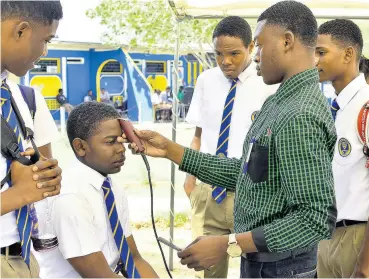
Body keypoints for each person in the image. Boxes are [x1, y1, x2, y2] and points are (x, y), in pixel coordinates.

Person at [123, 1, 337, 278]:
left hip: (282, 268)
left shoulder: (299, 113)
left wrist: (229, 243)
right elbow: (247, 173)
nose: (256, 55)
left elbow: (314, 219)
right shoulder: (280, 103)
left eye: (259, 45)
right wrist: (172, 151)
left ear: (287, 41)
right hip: (266, 264)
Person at [183, 15, 277, 278]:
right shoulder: (206, 81)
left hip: (249, 193)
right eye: (219, 54)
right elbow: (199, 135)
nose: (226, 61)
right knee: (206, 271)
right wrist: (191, 181)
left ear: (250, 47)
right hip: (207, 192)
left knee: (257, 269)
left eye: (234, 53)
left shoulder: (268, 84)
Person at [315, 19, 369, 278]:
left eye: (321, 52)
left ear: (349, 54)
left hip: (361, 239)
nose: (314, 60)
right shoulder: (336, 108)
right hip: (328, 236)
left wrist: (364, 268)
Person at [35, 102, 158, 278]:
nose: (121, 149)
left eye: (122, 140)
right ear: (80, 147)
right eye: (110, 142)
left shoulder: (111, 186)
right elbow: (98, 275)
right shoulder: (70, 197)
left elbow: (134, 258)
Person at [1, 1, 63, 277]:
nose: (45, 51)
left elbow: (42, 175)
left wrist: (46, 177)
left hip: (22, 257)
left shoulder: (22, 98)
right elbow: (24, 191)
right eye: (45, 40)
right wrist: (19, 194)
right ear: (21, 30)